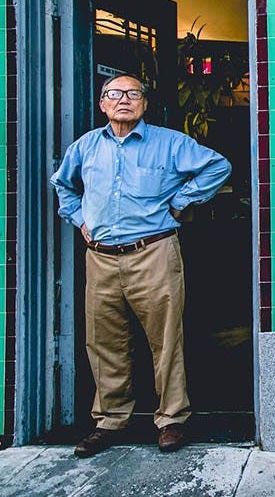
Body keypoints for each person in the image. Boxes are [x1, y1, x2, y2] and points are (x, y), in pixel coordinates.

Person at [51, 74, 231, 457]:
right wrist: (79, 218)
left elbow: (217, 166)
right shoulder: (85, 147)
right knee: (103, 342)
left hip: (154, 252)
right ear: (102, 104)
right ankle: (110, 420)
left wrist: (182, 201)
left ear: (144, 104)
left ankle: (171, 420)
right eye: (114, 94)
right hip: (100, 257)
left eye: (133, 94)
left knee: (166, 339)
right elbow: (63, 185)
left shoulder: (169, 143)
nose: (124, 100)